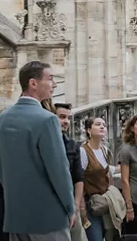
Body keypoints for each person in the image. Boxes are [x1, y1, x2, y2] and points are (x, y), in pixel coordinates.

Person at [0, 61, 76, 241]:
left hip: (16, 216)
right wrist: (70, 208)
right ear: (33, 83)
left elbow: (1, 169)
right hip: (48, 218)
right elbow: (59, 171)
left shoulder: (1, 119)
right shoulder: (47, 120)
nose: (54, 84)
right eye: (50, 79)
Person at [80, 117, 123, 241]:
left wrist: (125, 167)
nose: (102, 127)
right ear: (88, 130)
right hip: (90, 203)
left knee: (110, 236)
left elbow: (106, 169)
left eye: (104, 124)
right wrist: (82, 209)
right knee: (96, 237)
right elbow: (79, 179)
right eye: (98, 124)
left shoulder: (104, 149)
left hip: (106, 201)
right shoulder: (83, 151)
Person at [53, 103, 88, 241]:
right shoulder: (42, 143)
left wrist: (76, 205)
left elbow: (78, 178)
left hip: (70, 205)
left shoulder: (72, 145)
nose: (66, 121)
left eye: (68, 118)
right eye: (62, 117)